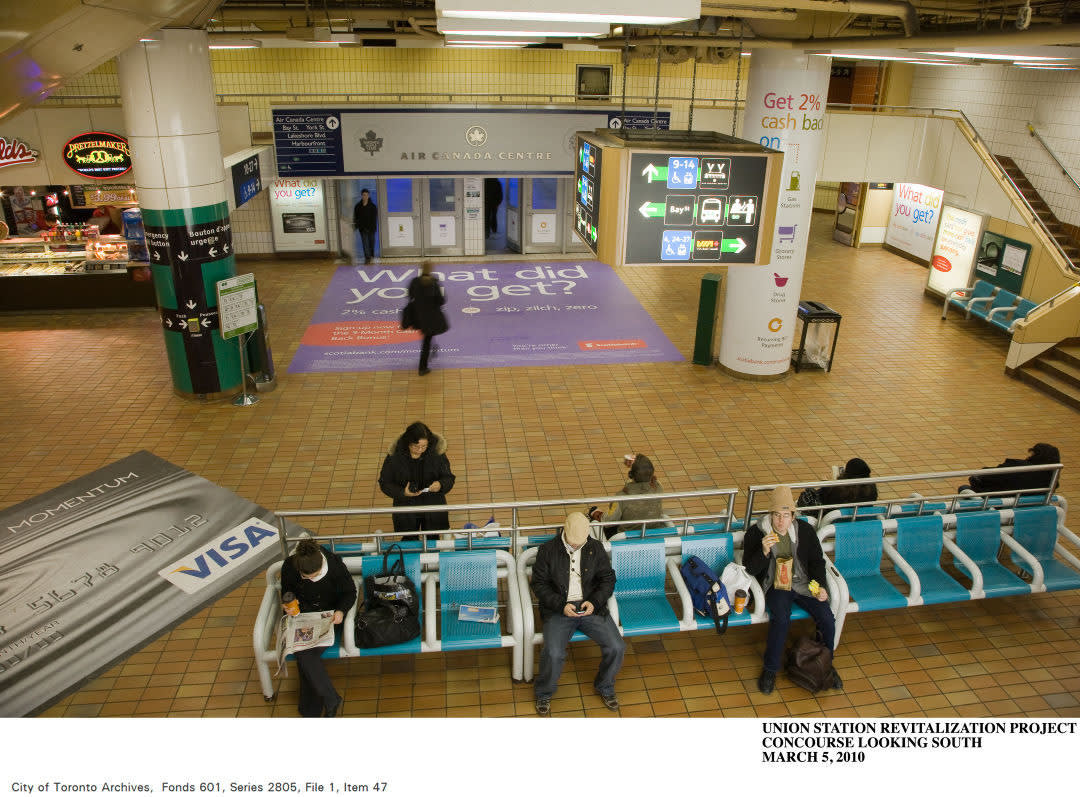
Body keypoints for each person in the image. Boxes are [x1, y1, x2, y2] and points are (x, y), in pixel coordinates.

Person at [743, 486, 842, 695]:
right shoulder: (756, 533)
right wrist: (763, 551)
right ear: (770, 515)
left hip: (804, 583)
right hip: (777, 585)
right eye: (777, 515)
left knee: (827, 617)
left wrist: (820, 586)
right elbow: (749, 569)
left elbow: (816, 561)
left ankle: (827, 662)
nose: (781, 521)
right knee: (781, 619)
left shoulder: (804, 531)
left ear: (793, 516)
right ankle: (770, 669)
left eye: (786, 516)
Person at [531, 512, 624, 716]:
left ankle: (605, 686)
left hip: (590, 605)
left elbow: (608, 579)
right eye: (573, 543)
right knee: (553, 652)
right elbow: (538, 584)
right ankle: (544, 692)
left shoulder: (595, 548)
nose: (575, 546)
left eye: (579, 543)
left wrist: (595, 601)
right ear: (564, 530)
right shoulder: (547, 550)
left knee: (616, 646)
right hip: (559, 609)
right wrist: (560, 605)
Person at [279, 538, 357, 717]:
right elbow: (286, 591)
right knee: (305, 654)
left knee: (303, 654)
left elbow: (349, 591)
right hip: (302, 616)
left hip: (330, 617)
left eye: (316, 575)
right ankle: (329, 700)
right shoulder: (289, 566)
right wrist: (289, 602)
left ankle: (311, 711)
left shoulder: (334, 564)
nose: (312, 579)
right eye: (307, 577)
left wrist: (340, 611)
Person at [378, 421, 456, 541]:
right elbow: (385, 482)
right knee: (409, 539)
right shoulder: (395, 457)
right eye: (416, 446)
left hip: (432, 505)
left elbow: (448, 477)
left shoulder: (437, 453)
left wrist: (440, 485)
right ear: (407, 443)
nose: (420, 450)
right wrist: (402, 492)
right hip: (407, 507)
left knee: (432, 539)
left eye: (424, 446)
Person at [588, 454, 665, 539]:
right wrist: (638, 466)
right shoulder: (658, 488)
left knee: (594, 515)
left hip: (625, 539)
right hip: (653, 534)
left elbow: (608, 522)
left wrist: (597, 513)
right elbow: (647, 481)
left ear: (631, 475)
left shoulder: (622, 497)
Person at [960, 443, 1061, 494]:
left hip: (1001, 504)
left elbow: (985, 475)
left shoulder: (1017, 467)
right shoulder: (1052, 478)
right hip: (1028, 508)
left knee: (964, 488)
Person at [407, 261, 449, 376]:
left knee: (427, 337)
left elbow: (410, 296)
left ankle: (430, 351)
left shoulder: (414, 282)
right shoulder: (434, 283)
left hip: (418, 315)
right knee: (427, 340)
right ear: (430, 270)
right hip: (431, 317)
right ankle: (422, 367)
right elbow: (441, 300)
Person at [799, 456, 879, 507]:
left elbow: (826, 500)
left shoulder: (841, 490)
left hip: (835, 521)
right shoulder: (872, 488)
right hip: (861, 519)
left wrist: (825, 484)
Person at [353, 188, 377, 264]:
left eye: (366, 195)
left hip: (371, 228)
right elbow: (356, 217)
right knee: (365, 243)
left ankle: (372, 254)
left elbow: (374, 218)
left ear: (368, 196)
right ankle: (367, 257)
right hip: (363, 228)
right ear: (361, 196)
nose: (365, 196)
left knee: (371, 243)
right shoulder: (358, 206)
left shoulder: (373, 206)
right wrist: (356, 226)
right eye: (363, 195)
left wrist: (373, 228)